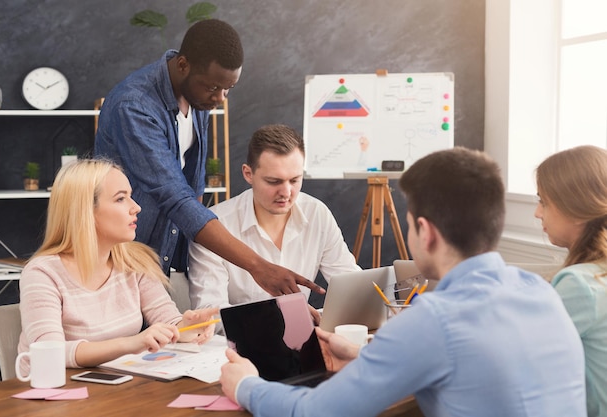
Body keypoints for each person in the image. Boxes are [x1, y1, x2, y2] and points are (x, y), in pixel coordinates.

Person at [220, 147, 587, 417]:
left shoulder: (433, 320)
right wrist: (365, 357)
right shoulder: (541, 291)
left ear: (424, 232)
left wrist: (245, 385)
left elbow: (316, 412)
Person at [94, 19, 321, 298]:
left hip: (155, 259)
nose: (220, 98)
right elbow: (175, 195)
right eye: (214, 88)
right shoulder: (134, 107)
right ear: (183, 66)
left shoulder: (198, 96)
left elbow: (194, 180)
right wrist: (257, 266)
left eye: (228, 89)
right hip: (121, 255)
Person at [17, 159, 219, 374]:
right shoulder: (42, 273)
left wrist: (186, 328)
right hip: (55, 395)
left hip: (113, 391)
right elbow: (50, 353)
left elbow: (168, 321)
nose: (136, 207)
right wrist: (131, 343)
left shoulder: (135, 262)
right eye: (121, 198)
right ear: (85, 211)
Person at [187, 124, 359, 313]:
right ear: (248, 174)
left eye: (294, 180)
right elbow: (209, 312)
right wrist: (284, 315)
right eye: (274, 181)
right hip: (239, 341)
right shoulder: (213, 227)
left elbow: (352, 285)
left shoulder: (317, 214)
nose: (286, 192)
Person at [535, 145, 607, 417]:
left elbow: (525, 355)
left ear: (577, 210)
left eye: (544, 202)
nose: (537, 213)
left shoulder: (579, 284)